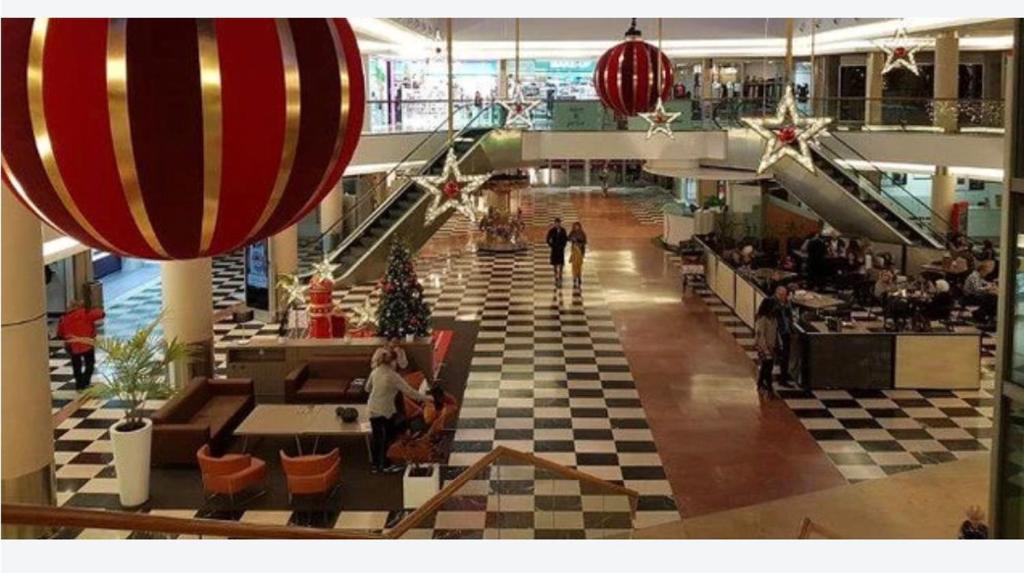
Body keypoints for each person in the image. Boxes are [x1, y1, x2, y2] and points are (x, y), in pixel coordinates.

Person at [366, 349, 429, 474]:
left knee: (377, 436)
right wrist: (428, 398)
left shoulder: (375, 371)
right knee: (388, 436)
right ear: (392, 362)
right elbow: (410, 392)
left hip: (372, 408)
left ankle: (375, 465)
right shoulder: (393, 376)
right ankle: (385, 464)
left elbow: (367, 388)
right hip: (385, 410)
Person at [56, 300, 105, 390]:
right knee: (90, 363)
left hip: (72, 345)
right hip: (87, 343)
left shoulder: (64, 318)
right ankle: (86, 382)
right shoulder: (86, 313)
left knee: (76, 366)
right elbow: (101, 314)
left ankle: (79, 385)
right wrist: (91, 307)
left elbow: (60, 334)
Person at [753, 297, 780, 396]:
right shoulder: (763, 319)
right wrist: (765, 348)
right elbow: (761, 334)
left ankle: (760, 383)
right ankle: (769, 387)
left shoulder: (773, 318)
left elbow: (775, 333)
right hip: (763, 347)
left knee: (767, 366)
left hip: (771, 346)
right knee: (767, 367)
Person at [773, 285, 796, 387]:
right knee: (780, 356)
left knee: (786, 356)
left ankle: (784, 376)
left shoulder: (787, 304)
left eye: (784, 295)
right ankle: (780, 378)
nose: (783, 297)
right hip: (778, 334)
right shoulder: (774, 304)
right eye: (781, 295)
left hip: (786, 332)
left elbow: (789, 317)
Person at [546, 218, 569, 287]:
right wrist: (551, 245)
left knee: (561, 263)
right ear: (554, 223)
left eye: (558, 223)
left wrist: (563, 246)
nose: (557, 224)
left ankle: (560, 275)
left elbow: (565, 239)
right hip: (554, 249)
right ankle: (556, 276)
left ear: (560, 223)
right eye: (556, 223)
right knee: (555, 264)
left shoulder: (563, 230)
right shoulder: (552, 231)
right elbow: (548, 239)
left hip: (561, 250)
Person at [568, 222, 588, 289]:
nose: (576, 228)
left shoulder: (582, 233)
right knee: (574, 265)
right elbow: (568, 238)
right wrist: (572, 239)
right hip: (574, 251)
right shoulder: (572, 232)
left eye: (577, 226)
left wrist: (579, 243)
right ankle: (574, 278)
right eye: (575, 226)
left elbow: (585, 242)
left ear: (579, 227)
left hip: (580, 251)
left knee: (579, 266)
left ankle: (579, 277)